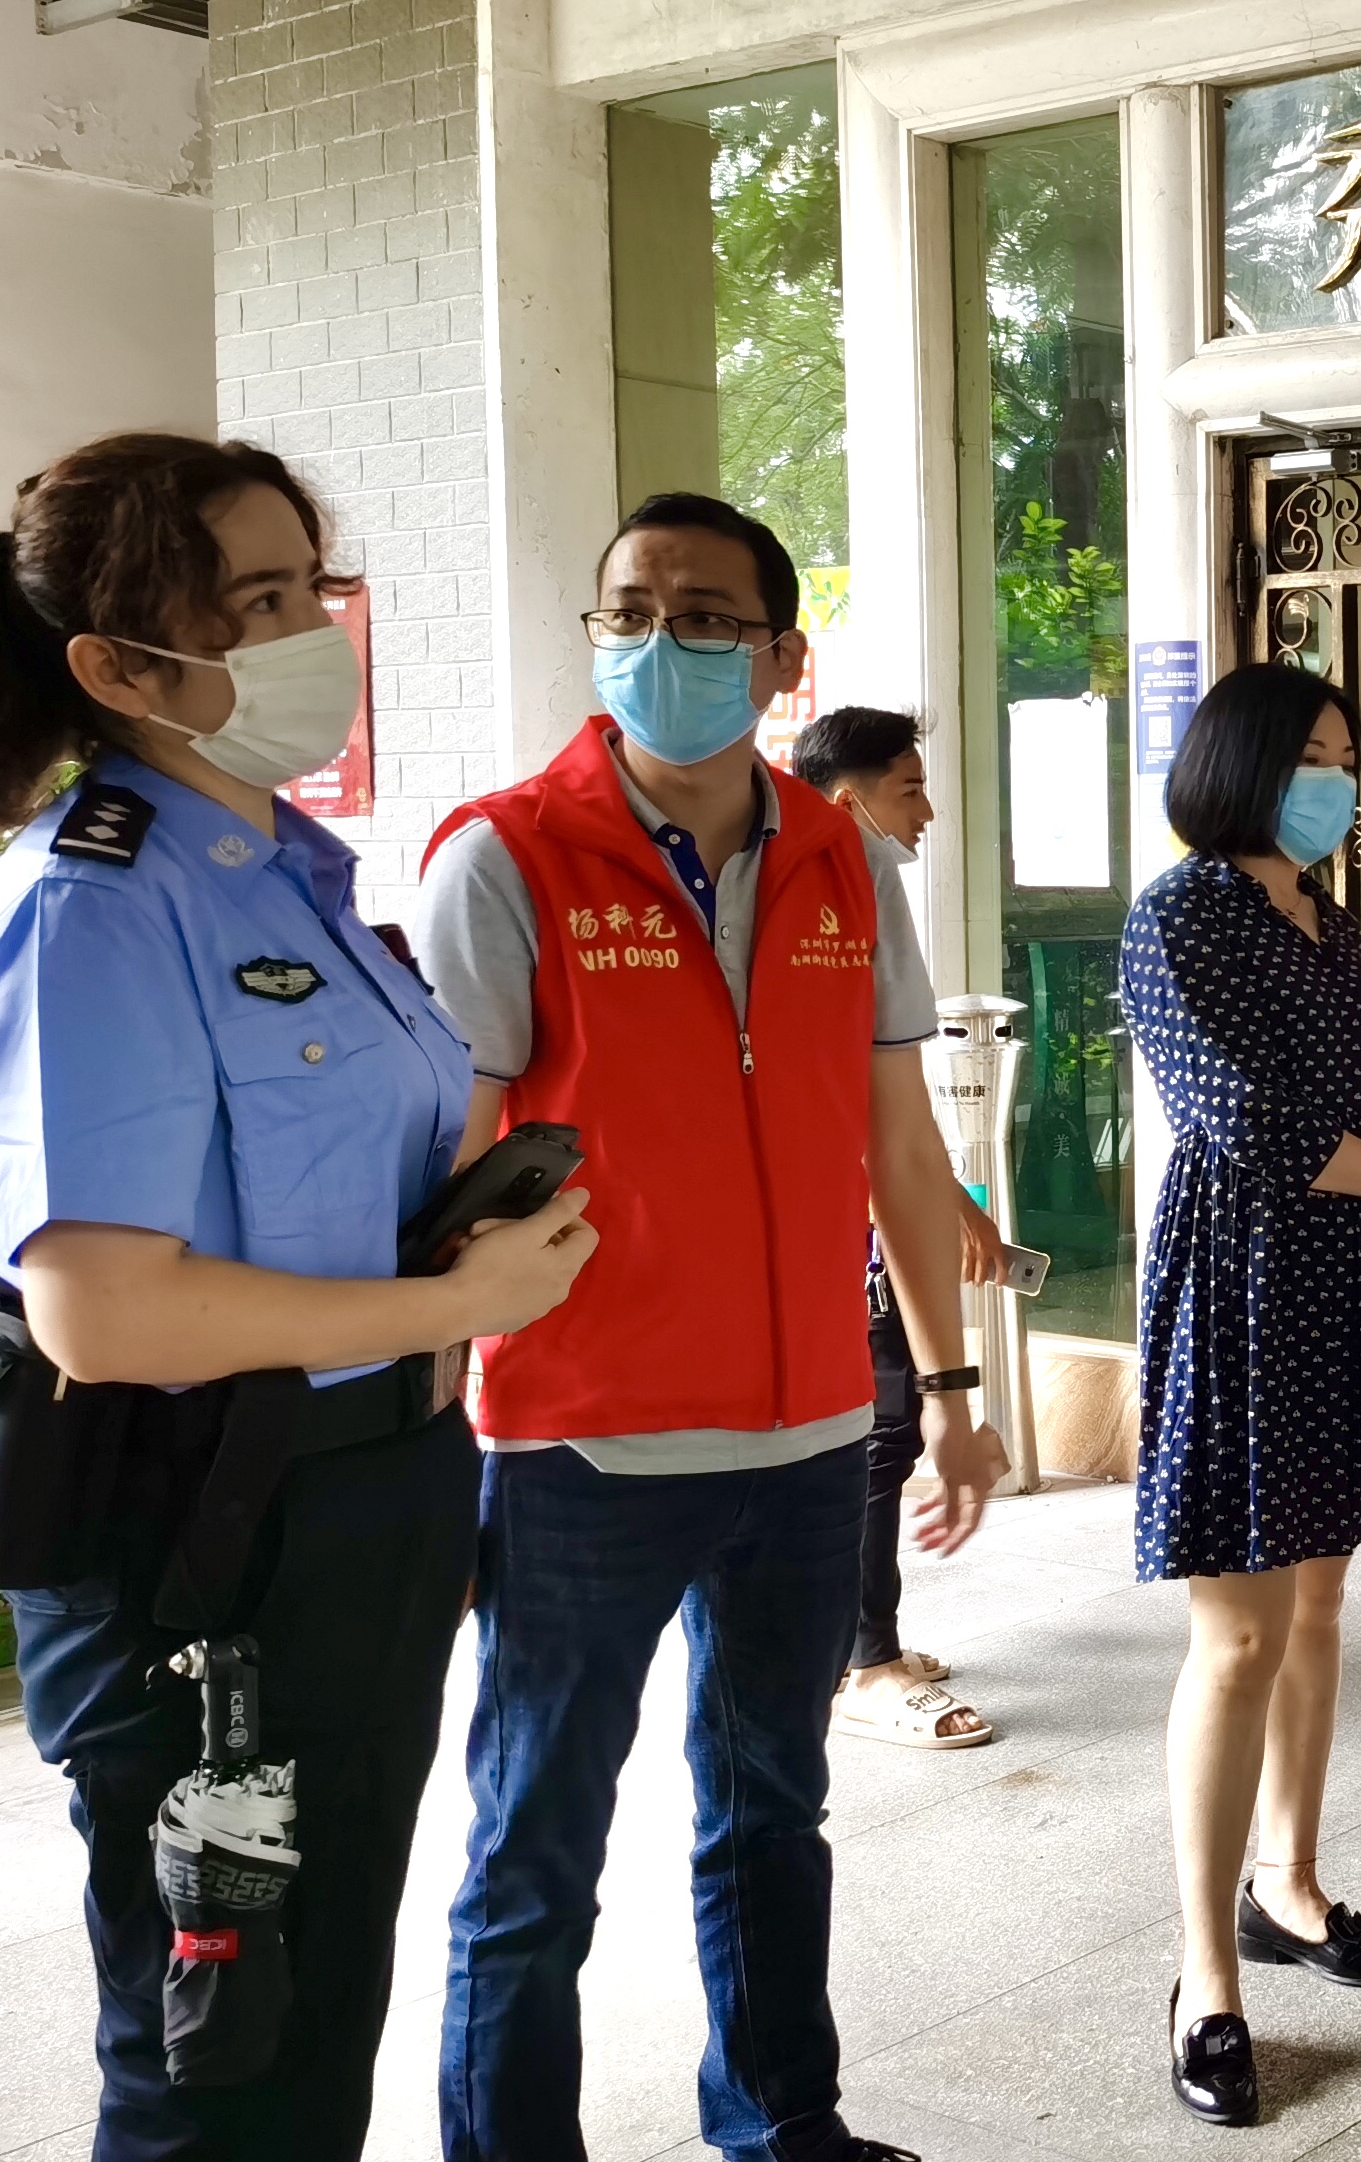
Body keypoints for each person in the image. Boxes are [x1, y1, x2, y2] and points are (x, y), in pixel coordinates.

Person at [0, 433, 596, 2157]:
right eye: (257, 600)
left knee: (312, 2020)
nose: (315, 629)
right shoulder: (91, 910)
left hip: (356, 1508)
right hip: (201, 1546)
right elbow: (103, 1310)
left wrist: (460, 1257)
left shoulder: (297, 881)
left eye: (313, 584)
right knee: (214, 2061)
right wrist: (451, 1308)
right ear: (118, 668)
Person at [412, 492, 1005, 2162]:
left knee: (772, 1811)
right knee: (534, 1847)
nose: (656, 641)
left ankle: (783, 2122)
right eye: (628, 611)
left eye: (701, 616)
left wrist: (949, 1388)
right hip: (580, 1439)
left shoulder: (844, 859)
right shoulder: (505, 854)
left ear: (779, 655)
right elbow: (450, 1169)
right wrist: (427, 1431)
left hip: (807, 1435)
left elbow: (900, 1147)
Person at [1123, 661, 1361, 2128]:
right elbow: (1242, 1114)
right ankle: (1207, 1975)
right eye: (1308, 755)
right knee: (1242, 1635)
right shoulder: (1178, 913)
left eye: (1344, 756)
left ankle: (1292, 1884)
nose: (1334, 779)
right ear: (1240, 764)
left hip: (1350, 1282)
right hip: (1244, 1279)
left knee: (1321, 1606)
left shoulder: (1324, 925)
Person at [790, 705, 1004, 1751]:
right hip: (834, 1239)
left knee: (884, 1434)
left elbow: (893, 1114)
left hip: (858, 1222)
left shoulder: (844, 890)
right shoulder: (836, 888)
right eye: (909, 789)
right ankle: (864, 1661)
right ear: (849, 801)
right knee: (880, 1442)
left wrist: (950, 1205)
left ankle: (859, 1643)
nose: (925, 812)